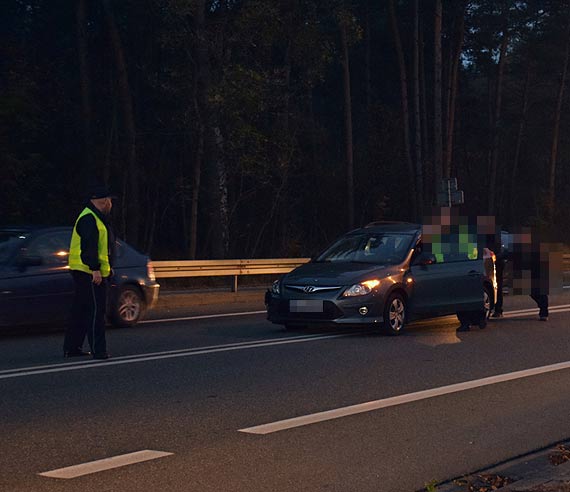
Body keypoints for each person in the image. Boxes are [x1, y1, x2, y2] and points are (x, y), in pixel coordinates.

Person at [63, 185, 116, 359]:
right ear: (104, 201)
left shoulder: (93, 217)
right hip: (89, 273)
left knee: (80, 310)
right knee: (95, 311)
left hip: (83, 271)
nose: (110, 204)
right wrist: (95, 270)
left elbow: (102, 248)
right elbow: (89, 247)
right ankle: (99, 351)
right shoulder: (90, 218)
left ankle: (72, 348)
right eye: (109, 200)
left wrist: (107, 267)